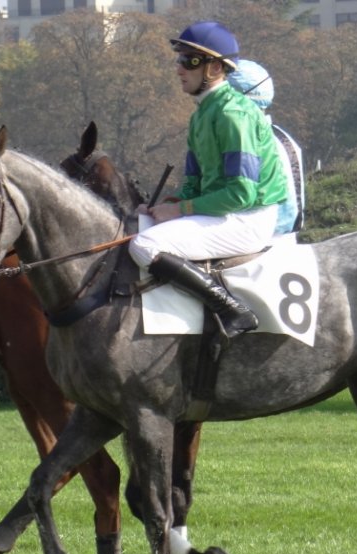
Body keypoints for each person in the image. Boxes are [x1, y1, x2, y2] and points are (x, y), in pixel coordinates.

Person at [129, 21, 287, 344]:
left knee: (143, 246)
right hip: (224, 212)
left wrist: (181, 210)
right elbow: (194, 184)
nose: (179, 68)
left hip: (248, 218)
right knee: (138, 226)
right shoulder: (201, 115)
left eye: (189, 61)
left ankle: (232, 310)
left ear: (215, 68)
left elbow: (241, 194)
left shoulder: (233, 115)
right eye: (179, 59)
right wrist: (167, 206)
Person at [228, 59, 305, 240]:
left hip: (259, 238)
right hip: (288, 235)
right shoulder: (283, 136)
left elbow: (237, 198)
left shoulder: (249, 140)